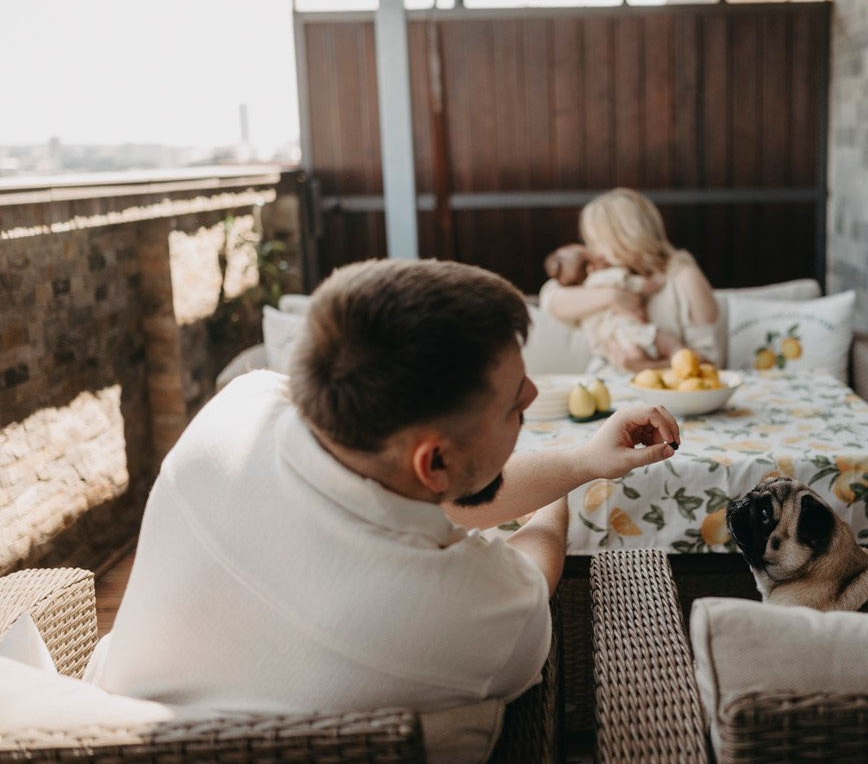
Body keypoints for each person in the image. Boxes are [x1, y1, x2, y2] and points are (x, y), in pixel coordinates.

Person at [88, 258, 679, 714]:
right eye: (511, 406)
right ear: (433, 463)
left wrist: (582, 459)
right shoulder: (472, 615)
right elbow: (531, 571)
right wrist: (559, 497)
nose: (531, 396)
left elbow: (442, 501)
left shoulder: (237, 411)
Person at [540, 187, 721, 371]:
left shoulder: (684, 277)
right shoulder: (601, 277)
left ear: (627, 237)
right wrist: (613, 296)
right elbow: (550, 299)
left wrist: (648, 367)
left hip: (666, 391)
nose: (594, 252)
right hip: (607, 383)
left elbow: (710, 362)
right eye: (590, 242)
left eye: (598, 241)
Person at [543, 241, 666, 361]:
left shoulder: (582, 287)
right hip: (633, 334)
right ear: (590, 268)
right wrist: (613, 296)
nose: (601, 255)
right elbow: (549, 299)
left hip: (609, 347)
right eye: (590, 252)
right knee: (671, 345)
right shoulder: (608, 277)